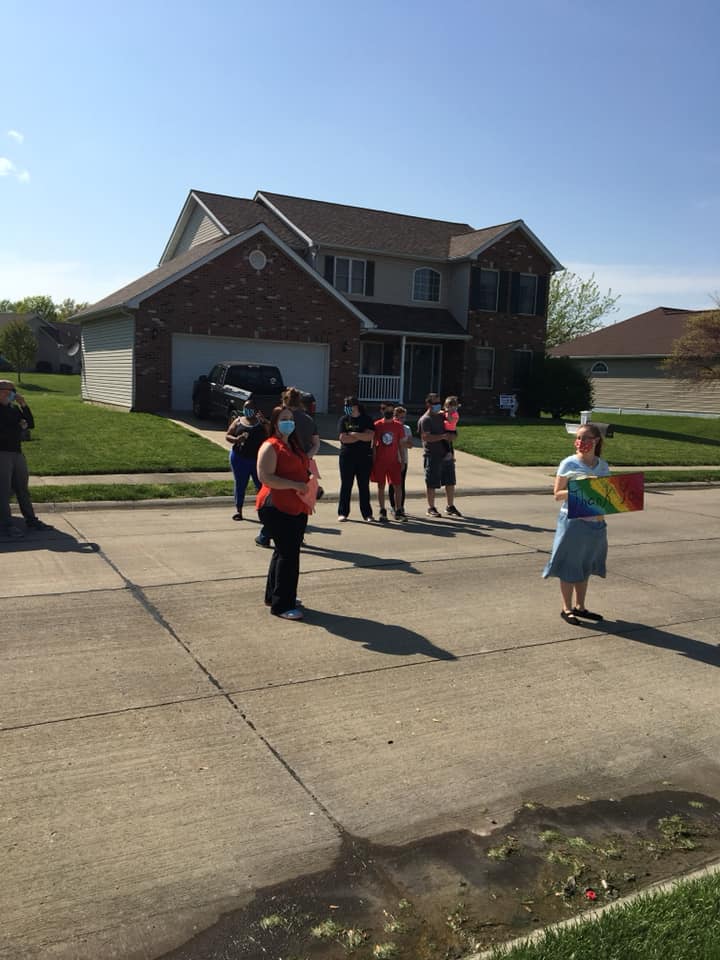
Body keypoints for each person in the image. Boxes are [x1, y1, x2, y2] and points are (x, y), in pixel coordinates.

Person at [542, 423, 609, 625]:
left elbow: (608, 495)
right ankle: (567, 608)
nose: (581, 442)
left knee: (585, 565)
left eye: (586, 438)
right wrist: (583, 488)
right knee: (570, 565)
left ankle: (580, 606)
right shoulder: (568, 463)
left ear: (596, 441)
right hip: (573, 522)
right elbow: (557, 494)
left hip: (596, 523)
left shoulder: (603, 466)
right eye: (579, 438)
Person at [256, 406, 312, 621]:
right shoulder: (270, 446)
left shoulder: (293, 445)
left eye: (291, 419)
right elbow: (266, 477)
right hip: (276, 506)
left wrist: (309, 483)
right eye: (283, 419)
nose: (288, 422)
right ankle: (282, 605)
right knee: (289, 555)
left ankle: (275, 595)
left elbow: (303, 467)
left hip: (296, 505)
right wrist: (295, 484)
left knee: (282, 552)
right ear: (275, 423)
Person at [0, 379, 52, 538]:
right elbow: (4, 430)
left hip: (17, 452)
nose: (14, 394)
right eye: (12, 391)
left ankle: (31, 520)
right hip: (2, 453)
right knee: (3, 490)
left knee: (22, 488)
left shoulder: (14, 408)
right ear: (2, 391)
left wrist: (23, 405)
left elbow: (30, 424)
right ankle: (6, 524)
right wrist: (18, 426)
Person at [418, 392, 462, 518]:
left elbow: (452, 431)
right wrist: (443, 436)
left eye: (438, 403)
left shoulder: (443, 416)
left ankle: (450, 506)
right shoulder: (425, 419)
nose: (437, 405)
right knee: (432, 482)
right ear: (428, 404)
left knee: (450, 481)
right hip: (432, 455)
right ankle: (431, 507)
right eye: (434, 403)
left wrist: (453, 436)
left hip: (446, 454)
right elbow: (426, 437)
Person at [225, 397, 265, 521]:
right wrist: (236, 439)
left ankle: (263, 511)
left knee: (261, 485)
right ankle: (239, 510)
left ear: (256, 410)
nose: (248, 410)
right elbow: (228, 435)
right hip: (239, 458)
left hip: (257, 460)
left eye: (250, 408)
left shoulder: (261, 423)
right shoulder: (238, 421)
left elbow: (271, 434)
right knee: (240, 484)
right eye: (245, 408)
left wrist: (265, 422)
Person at [336, 395, 375, 522]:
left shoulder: (367, 419)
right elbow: (343, 438)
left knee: (363, 485)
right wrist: (360, 435)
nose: (346, 408)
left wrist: (353, 434)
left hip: (364, 457)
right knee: (346, 485)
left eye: (348, 405)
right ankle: (343, 512)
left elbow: (370, 437)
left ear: (355, 406)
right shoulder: (344, 420)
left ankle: (367, 514)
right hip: (347, 457)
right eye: (345, 406)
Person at [282, 386, 323, 500]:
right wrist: (306, 457)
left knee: (288, 495)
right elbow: (316, 443)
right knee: (303, 496)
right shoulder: (309, 419)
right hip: (305, 462)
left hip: (286, 462)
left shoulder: (283, 418)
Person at [371, 401, 406, 522]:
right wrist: (373, 461)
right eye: (387, 411)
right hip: (380, 461)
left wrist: (402, 460)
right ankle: (382, 510)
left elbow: (401, 445)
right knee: (381, 486)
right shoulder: (377, 425)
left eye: (391, 411)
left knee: (397, 486)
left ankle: (399, 509)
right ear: (382, 411)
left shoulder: (398, 426)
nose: (389, 413)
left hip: (394, 461)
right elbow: (374, 445)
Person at [389, 405, 413, 518]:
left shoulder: (407, 429)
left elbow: (410, 444)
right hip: (391, 459)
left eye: (403, 418)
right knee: (392, 484)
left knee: (401, 484)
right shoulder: (390, 428)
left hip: (403, 460)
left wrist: (401, 443)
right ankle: (393, 506)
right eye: (399, 418)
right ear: (394, 417)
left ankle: (401, 506)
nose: (402, 420)